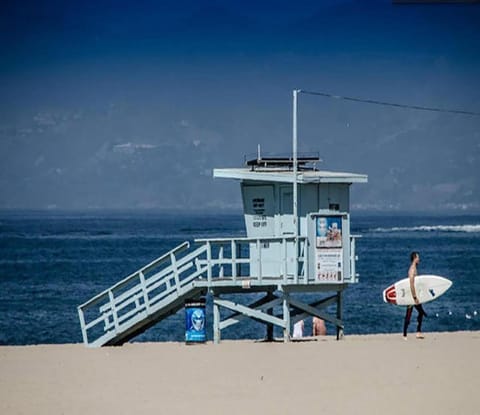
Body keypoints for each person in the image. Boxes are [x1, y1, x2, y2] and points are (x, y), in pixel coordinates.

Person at [403, 251, 427, 340]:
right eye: (418, 257)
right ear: (414, 258)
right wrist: (414, 297)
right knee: (409, 314)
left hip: (414, 296)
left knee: (420, 313)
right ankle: (405, 334)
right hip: (412, 297)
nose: (419, 259)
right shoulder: (412, 270)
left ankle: (417, 332)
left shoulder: (415, 268)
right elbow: (411, 284)